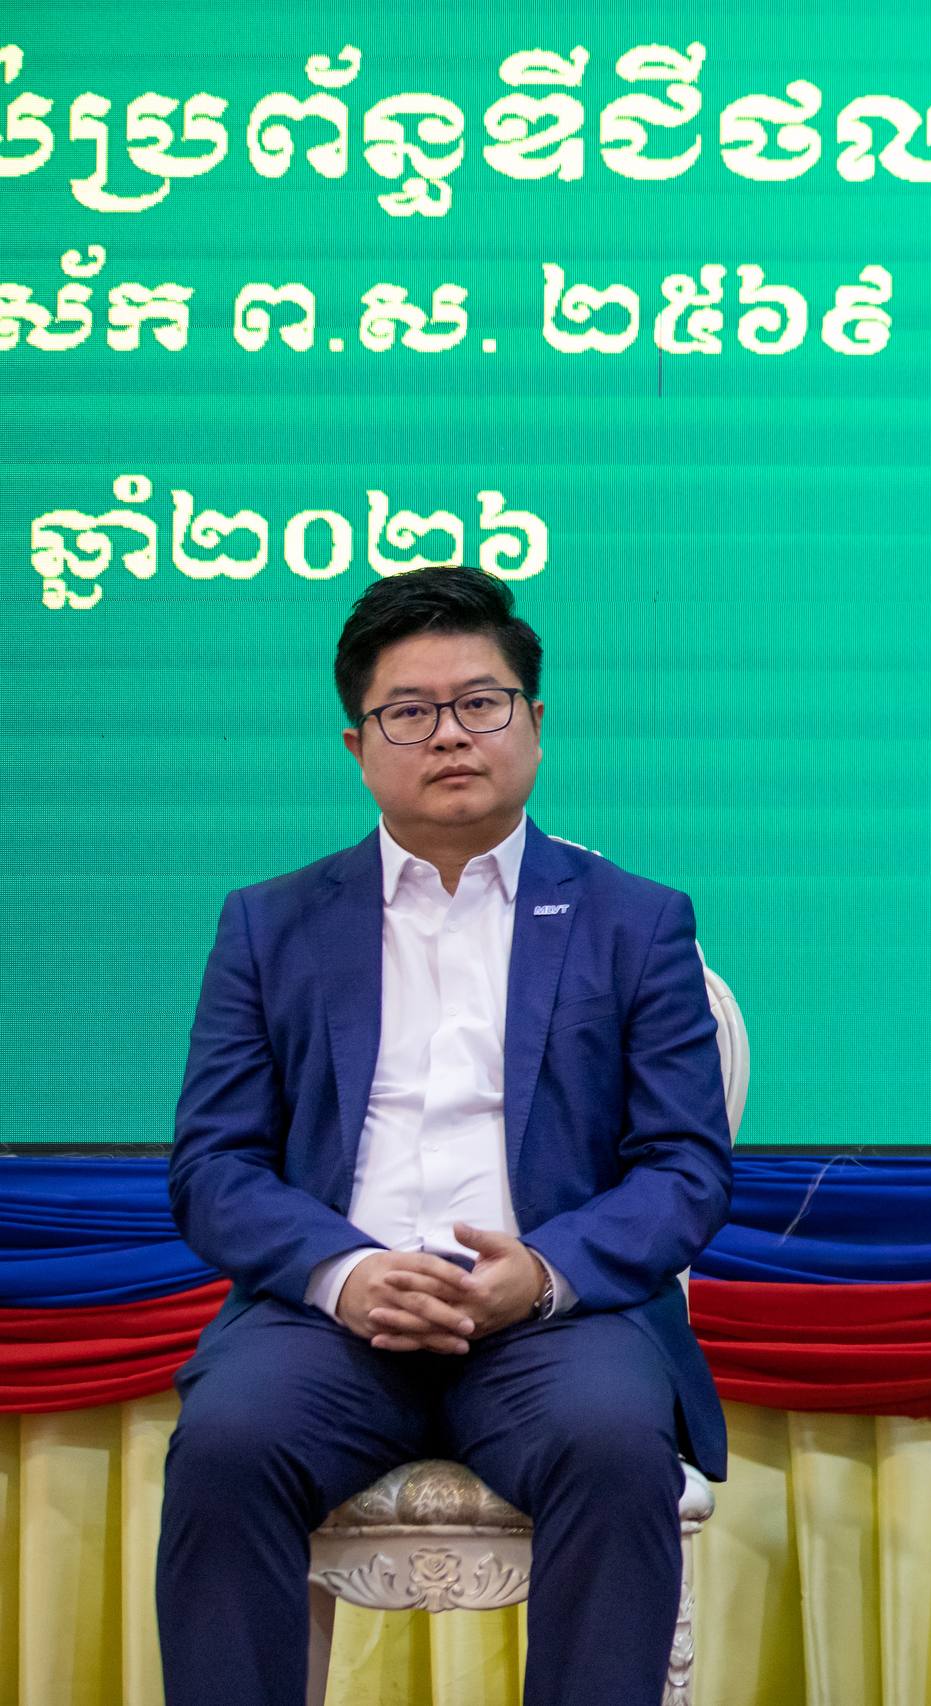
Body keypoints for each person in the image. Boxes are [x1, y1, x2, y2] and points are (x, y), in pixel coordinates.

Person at [157, 566, 732, 1706]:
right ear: (357, 745)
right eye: (409, 712)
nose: (451, 734)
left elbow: (684, 1168)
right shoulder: (270, 923)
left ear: (534, 722)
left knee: (613, 1445)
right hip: (328, 1324)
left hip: (552, 1322)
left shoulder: (635, 921)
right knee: (225, 1444)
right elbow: (214, 1165)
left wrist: (545, 1273)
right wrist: (345, 1271)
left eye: (481, 702)